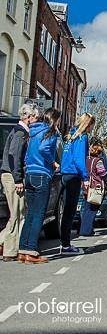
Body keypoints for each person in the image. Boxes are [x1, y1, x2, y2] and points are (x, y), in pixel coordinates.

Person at [18, 108, 61, 264]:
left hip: (29, 174)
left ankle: (23, 249)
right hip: (42, 174)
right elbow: (44, 149)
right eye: (58, 120)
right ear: (54, 120)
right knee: (39, 214)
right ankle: (32, 251)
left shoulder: (33, 131)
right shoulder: (50, 132)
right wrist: (53, 162)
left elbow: (28, 154)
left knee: (30, 213)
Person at [0, 103, 39, 262]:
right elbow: (13, 156)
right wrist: (17, 179)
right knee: (16, 214)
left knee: (19, 212)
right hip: (12, 177)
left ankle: (8, 244)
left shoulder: (20, 131)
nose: (36, 120)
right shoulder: (20, 133)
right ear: (28, 117)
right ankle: (9, 251)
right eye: (35, 117)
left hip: (11, 175)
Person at [59, 113, 95, 255]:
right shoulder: (82, 137)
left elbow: (65, 156)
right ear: (88, 124)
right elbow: (79, 160)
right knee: (69, 211)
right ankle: (66, 245)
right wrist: (85, 177)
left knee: (64, 211)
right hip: (74, 175)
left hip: (65, 174)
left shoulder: (70, 136)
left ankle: (64, 243)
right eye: (92, 125)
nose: (92, 128)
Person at [79, 142, 107, 236]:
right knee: (93, 209)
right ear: (99, 152)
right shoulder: (98, 161)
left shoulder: (86, 159)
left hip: (85, 186)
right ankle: (86, 230)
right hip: (95, 187)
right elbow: (102, 173)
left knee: (86, 208)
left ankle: (85, 229)